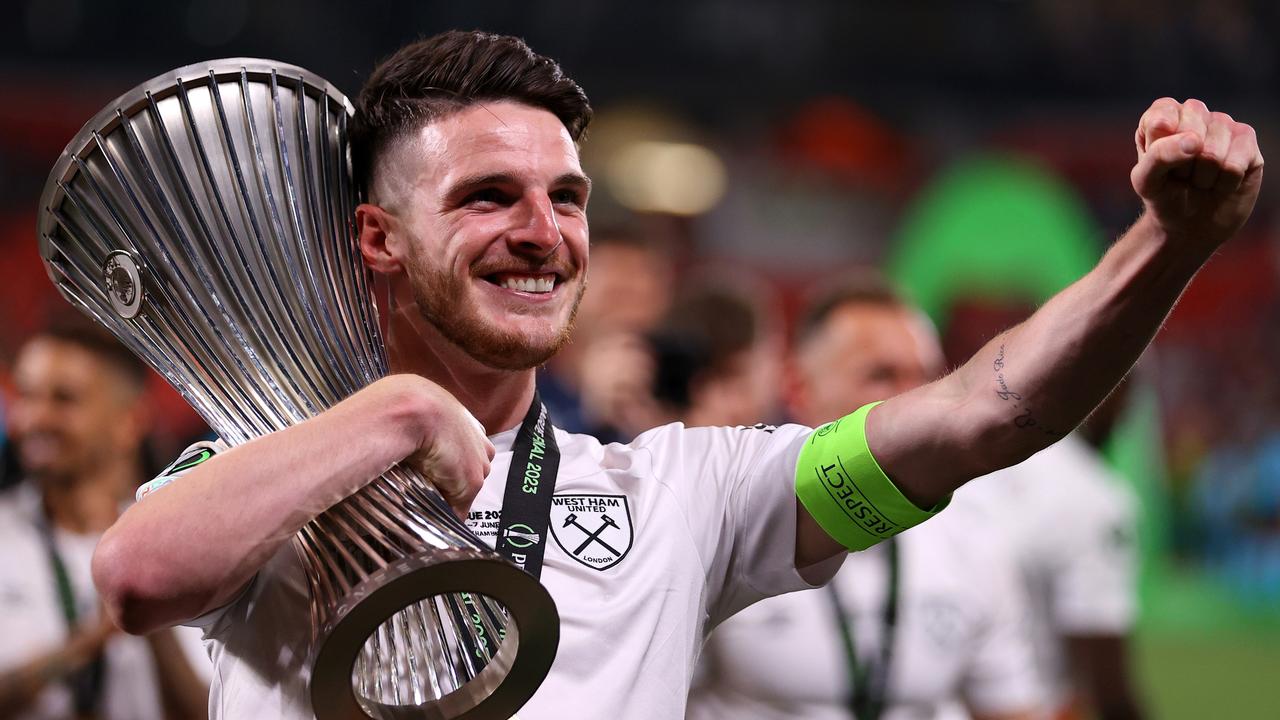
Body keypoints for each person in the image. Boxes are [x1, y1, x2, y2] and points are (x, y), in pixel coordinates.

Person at [88, 29, 1263, 720]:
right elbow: (139, 575)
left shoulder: (682, 494)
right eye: (486, 196)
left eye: (566, 198)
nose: (542, 231)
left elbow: (984, 412)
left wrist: (1167, 246)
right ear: (376, 240)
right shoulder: (271, 467)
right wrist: (396, 412)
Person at [689, 275, 1044, 720]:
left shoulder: (976, 535)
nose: (917, 401)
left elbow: (1011, 708)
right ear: (799, 387)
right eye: (881, 375)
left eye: (927, 377)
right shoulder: (726, 522)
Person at [0, 322, 210, 720]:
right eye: (25, 395)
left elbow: (212, 710)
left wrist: (151, 622)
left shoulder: (181, 540)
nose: (34, 418)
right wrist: (87, 644)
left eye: (63, 400)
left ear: (128, 421)